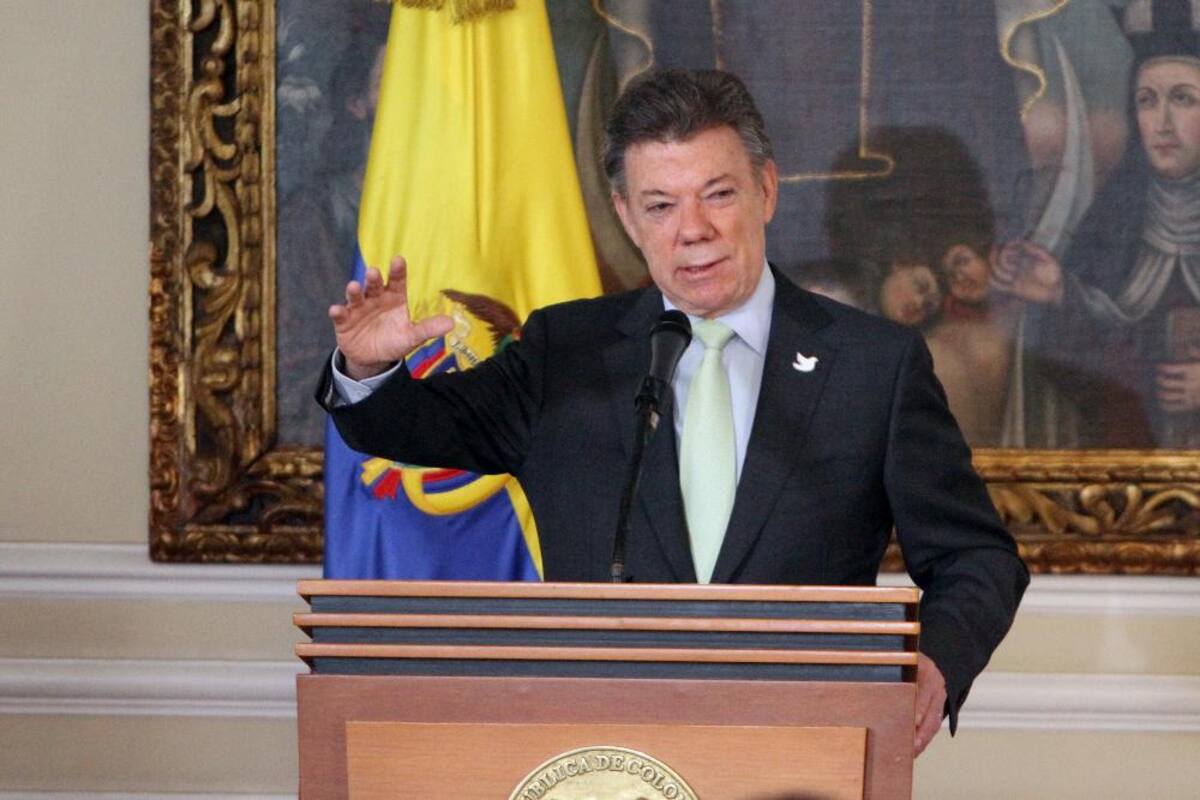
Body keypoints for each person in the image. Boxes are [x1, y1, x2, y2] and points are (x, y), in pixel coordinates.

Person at [315, 68, 1028, 756]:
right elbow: (409, 427)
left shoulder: (872, 365)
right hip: (601, 752)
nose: (693, 229)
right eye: (660, 205)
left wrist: (933, 666)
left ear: (766, 190)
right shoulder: (568, 352)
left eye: (717, 194)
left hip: (808, 746)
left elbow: (975, 556)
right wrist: (369, 368)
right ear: (626, 215)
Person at [991, 2, 1200, 448]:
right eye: (1147, 101)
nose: (1162, 123)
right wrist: (1061, 294)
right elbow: (1080, 370)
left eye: (1183, 98)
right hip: (1128, 462)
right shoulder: (1116, 221)